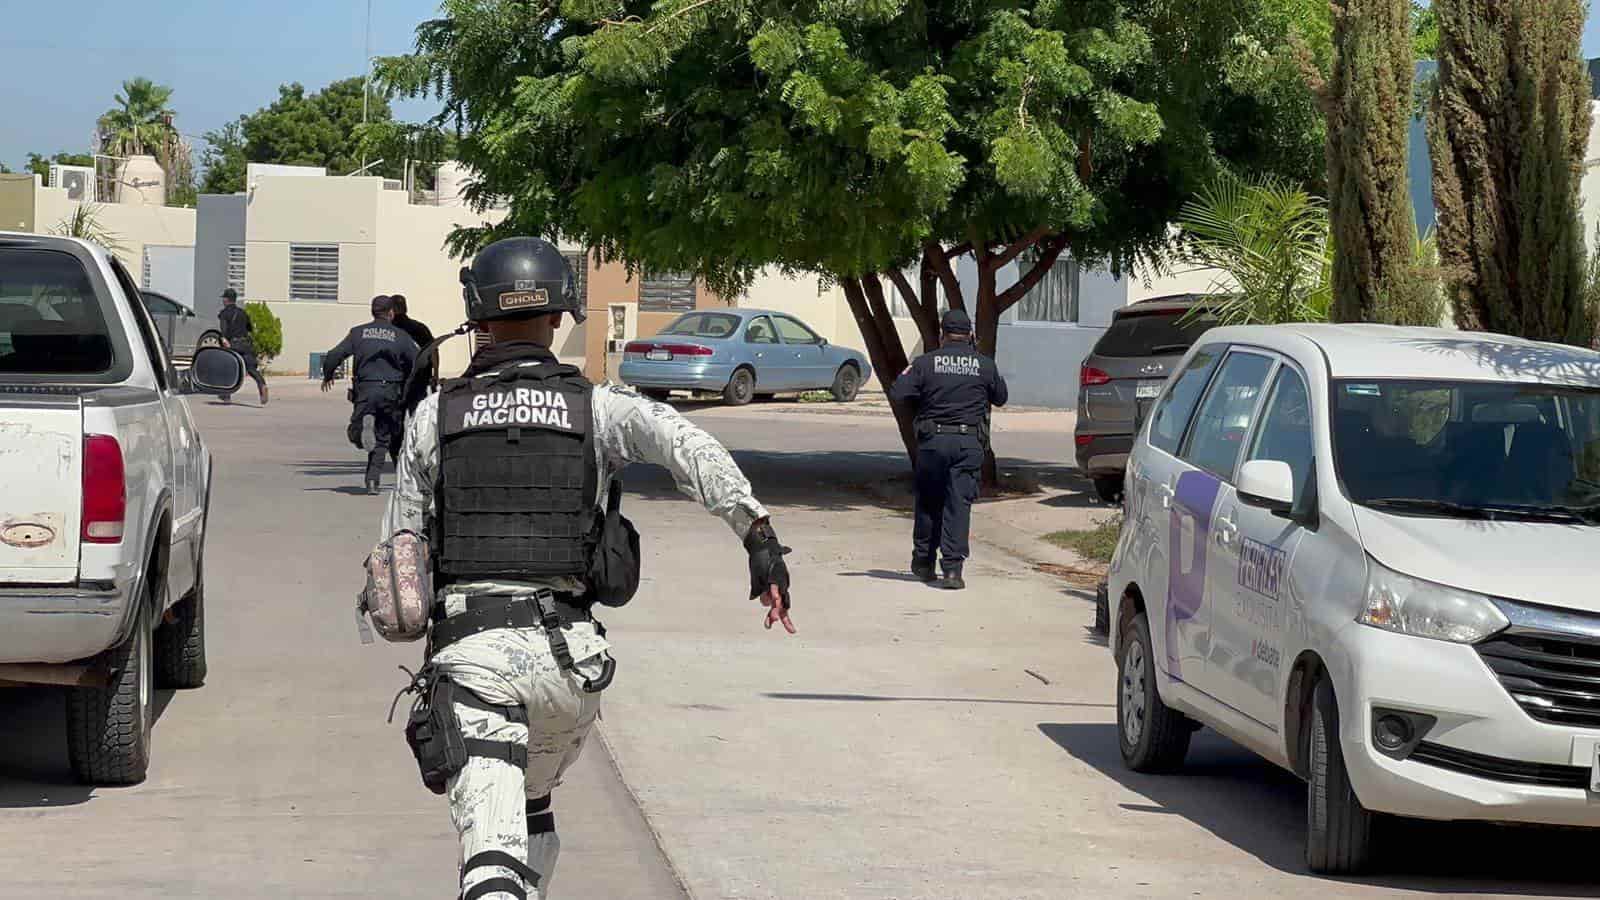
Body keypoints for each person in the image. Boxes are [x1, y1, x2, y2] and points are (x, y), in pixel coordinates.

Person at [377, 236, 795, 900]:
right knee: (533, 809)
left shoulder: (434, 417)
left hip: (478, 667)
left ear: (477, 317)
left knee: (491, 859)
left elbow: (399, 567)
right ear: (558, 317)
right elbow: (688, 444)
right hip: (573, 671)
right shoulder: (600, 408)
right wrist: (759, 538)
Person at [889, 308, 1008, 590]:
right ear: (970, 335)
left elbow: (899, 392)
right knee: (959, 504)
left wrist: (924, 399)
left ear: (942, 334)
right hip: (968, 443)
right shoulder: (985, 365)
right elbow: (1001, 397)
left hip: (933, 442)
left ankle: (924, 562)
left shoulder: (925, 363)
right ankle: (953, 570)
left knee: (929, 502)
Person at [321, 295, 419, 494]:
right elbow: (417, 361)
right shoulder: (400, 336)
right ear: (391, 313)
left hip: (365, 390)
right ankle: (373, 481)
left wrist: (328, 375)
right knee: (384, 437)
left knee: (358, 432)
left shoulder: (358, 333)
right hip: (390, 391)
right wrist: (411, 386)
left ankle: (361, 430)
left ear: (373, 312)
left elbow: (334, 355)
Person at [217, 288, 269, 405]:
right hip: (246, 345)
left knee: (227, 368)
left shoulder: (224, 313)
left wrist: (224, 341)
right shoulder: (243, 313)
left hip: (233, 345)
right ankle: (262, 385)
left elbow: (224, 331)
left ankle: (226, 395)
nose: (223, 300)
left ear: (226, 300)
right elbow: (250, 328)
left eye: (224, 298)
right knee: (251, 369)